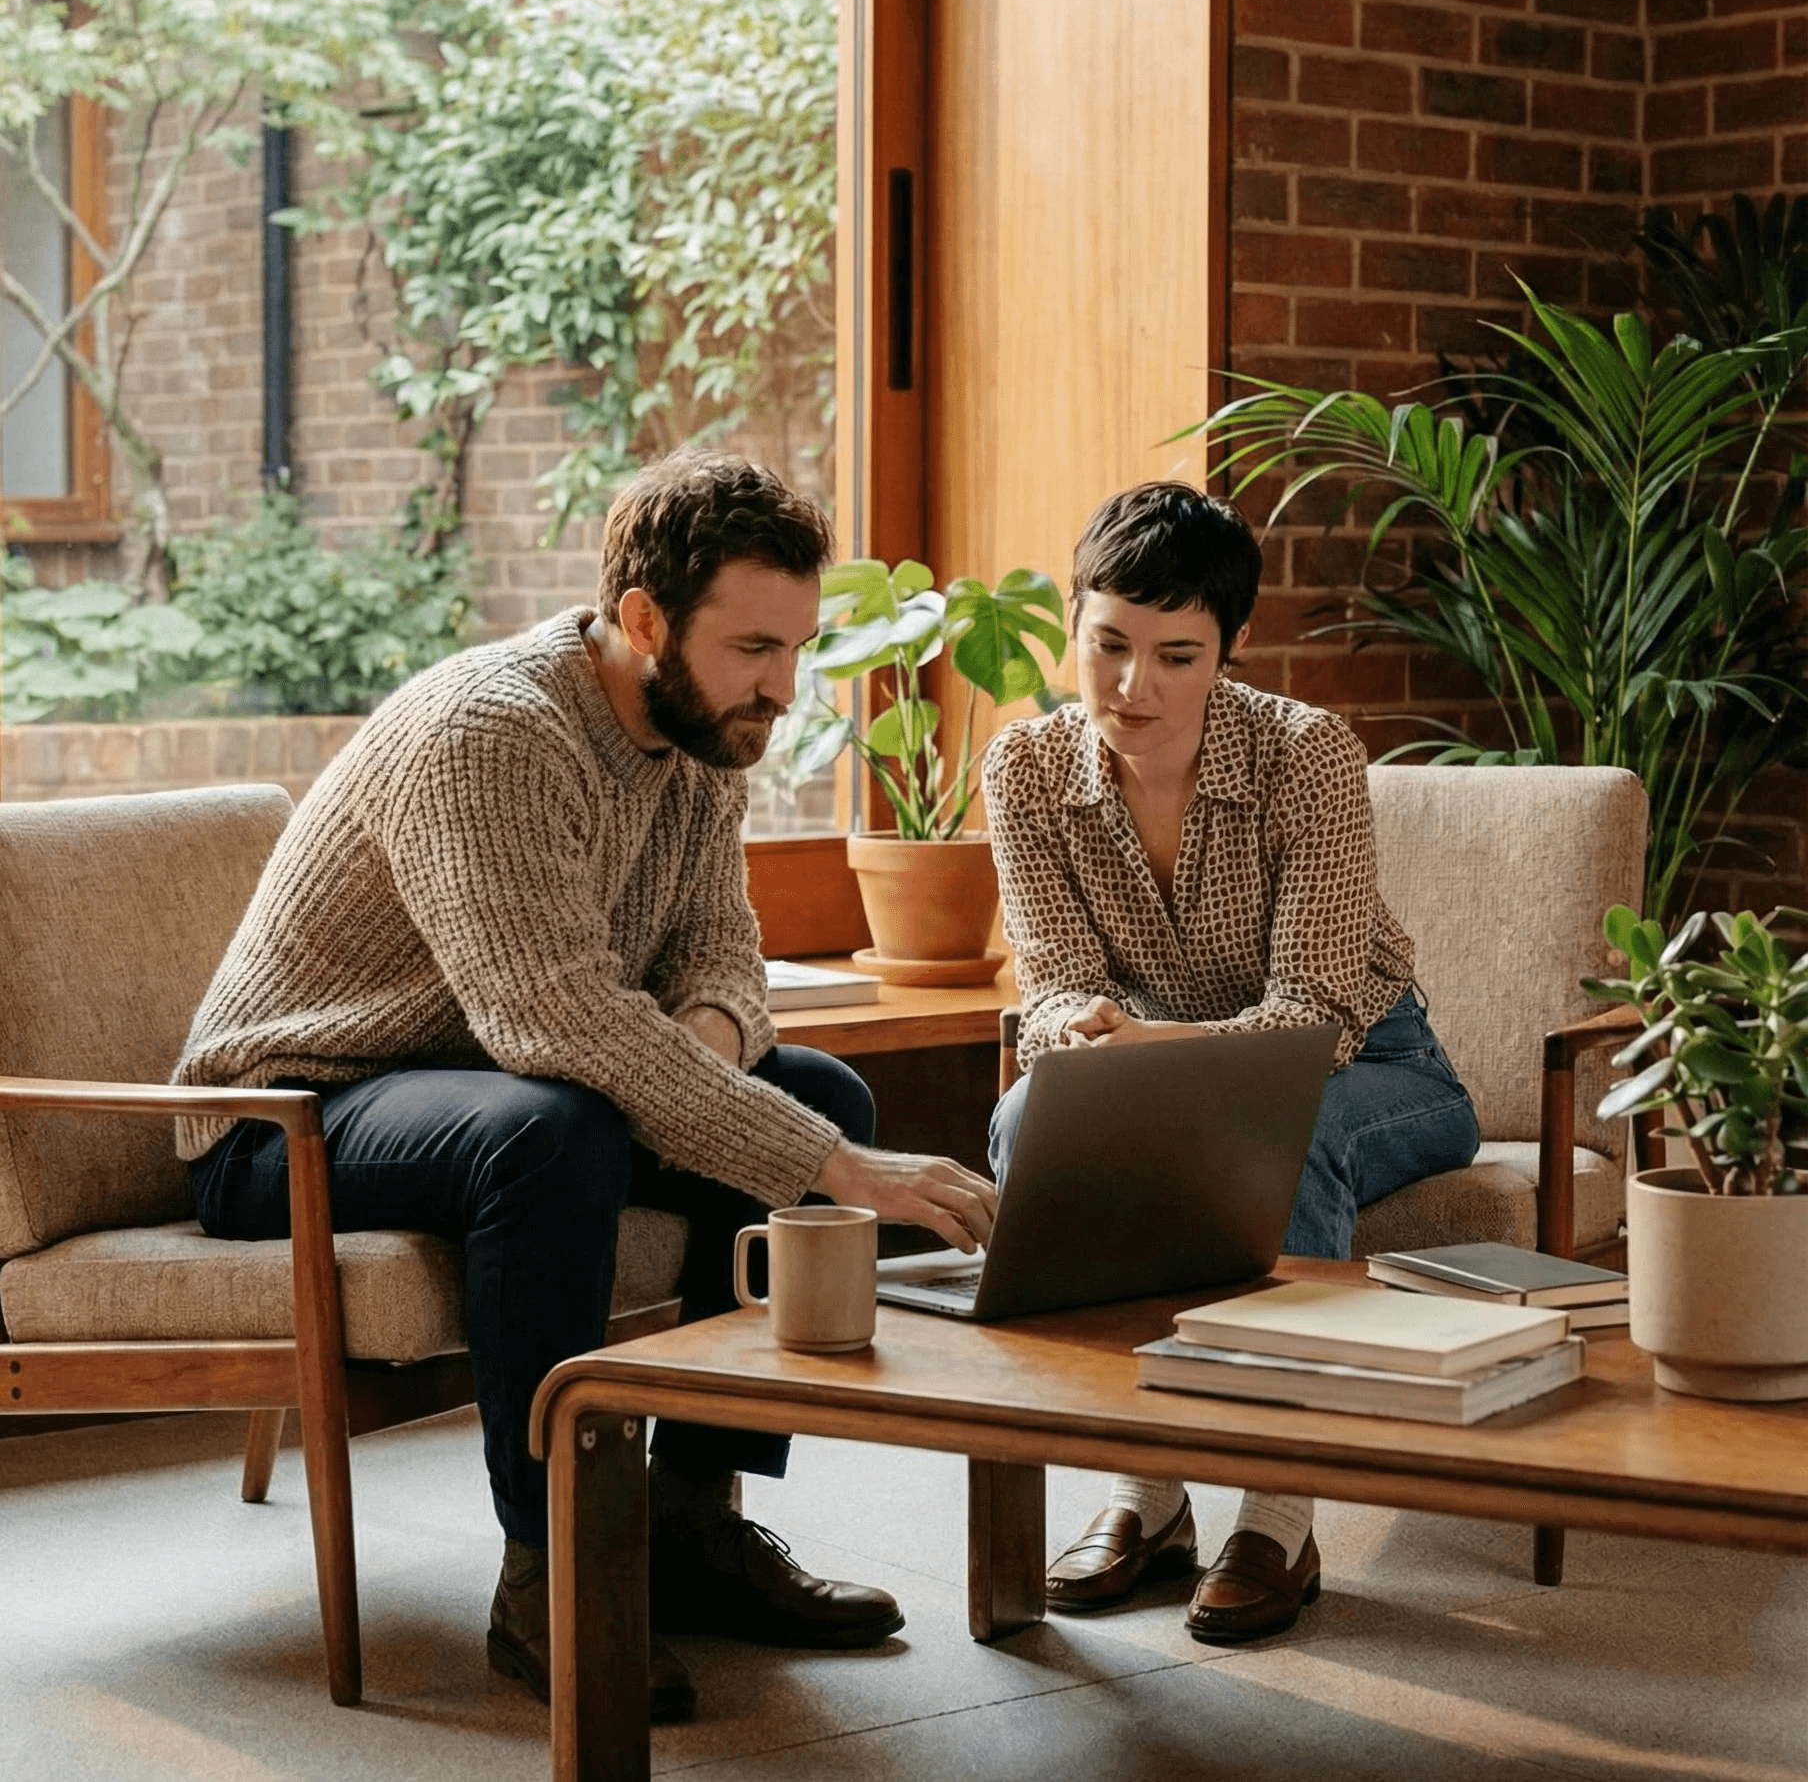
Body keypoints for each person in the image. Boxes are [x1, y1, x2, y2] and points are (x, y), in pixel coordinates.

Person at [174, 452, 997, 1723]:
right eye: (753, 646)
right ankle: (545, 1568)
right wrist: (804, 1160)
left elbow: (721, 956)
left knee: (814, 1093)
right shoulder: (493, 732)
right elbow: (550, 1017)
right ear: (644, 619)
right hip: (289, 1111)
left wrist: (713, 1077)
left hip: (484, 1080)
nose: (783, 687)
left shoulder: (701, 731)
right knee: (559, 1130)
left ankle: (687, 1526)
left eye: (795, 646)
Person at [982, 480, 1479, 1643]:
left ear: (1229, 649)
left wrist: (1149, 1049)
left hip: (1370, 1062)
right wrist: (1083, 1040)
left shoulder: (1306, 752)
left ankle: (1274, 1509)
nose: (1131, 686)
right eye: (1105, 644)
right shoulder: (1021, 769)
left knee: (1276, 1133)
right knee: (1018, 1129)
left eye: (1175, 654)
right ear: (1071, 621)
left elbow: (1309, 1012)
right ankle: (1145, 1490)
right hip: (1147, 1065)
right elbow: (1048, 981)